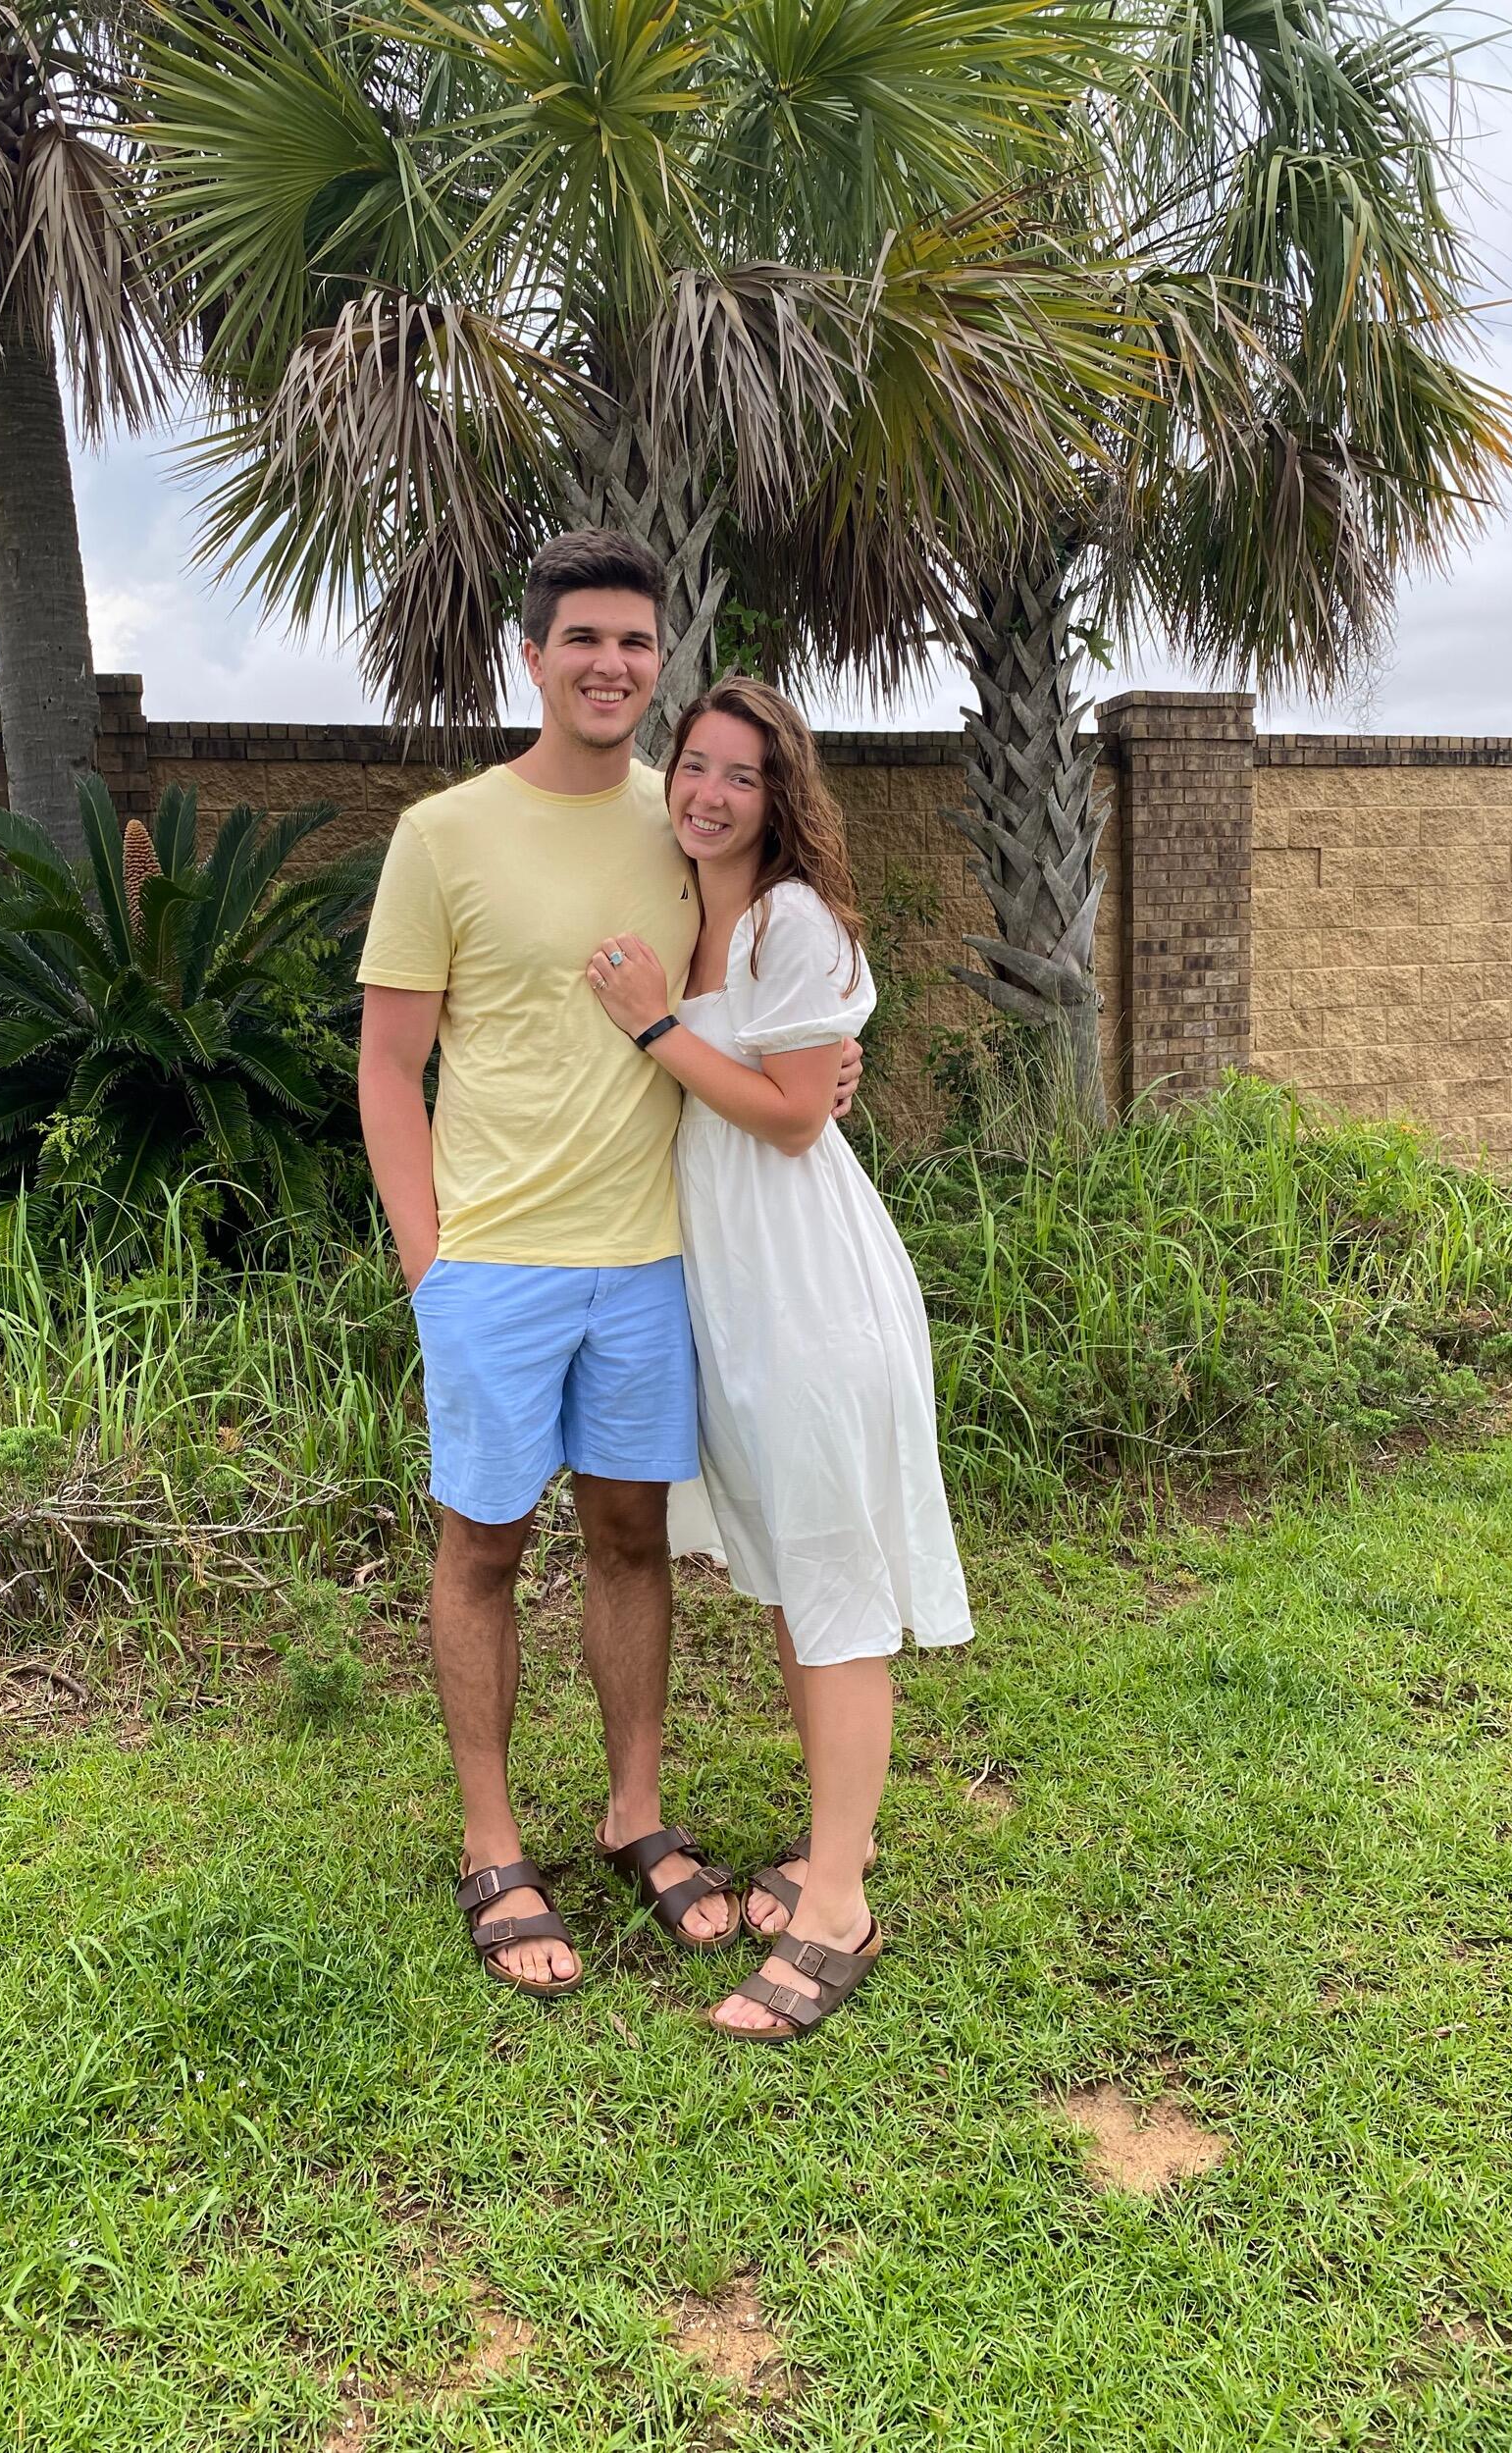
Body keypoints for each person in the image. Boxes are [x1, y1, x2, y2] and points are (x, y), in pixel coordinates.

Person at [356, 535, 860, 1998]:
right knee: (486, 1546)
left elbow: (779, 980)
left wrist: (832, 1065)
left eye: (636, 643)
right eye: (583, 638)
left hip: (652, 1260)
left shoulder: (690, 817)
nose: (611, 665)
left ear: (659, 658)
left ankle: (636, 1813)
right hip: (496, 1263)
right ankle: (491, 1841)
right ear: (532, 653)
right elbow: (390, 1065)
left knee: (636, 1541)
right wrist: (425, 1261)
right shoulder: (443, 835)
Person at [586, 676, 973, 2042]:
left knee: (835, 1591)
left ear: (780, 792)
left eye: (739, 775)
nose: (706, 792)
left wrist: (656, 1027)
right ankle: (831, 1847)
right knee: (794, 1591)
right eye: (691, 764)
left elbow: (800, 1117)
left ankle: (838, 1912)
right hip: (734, 1300)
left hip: (809, 1292)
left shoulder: (790, 920)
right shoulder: (688, 917)